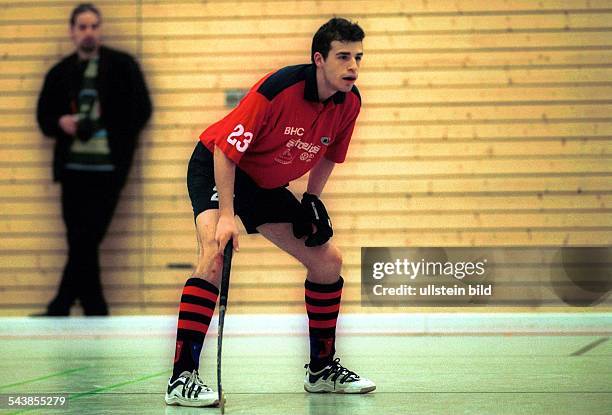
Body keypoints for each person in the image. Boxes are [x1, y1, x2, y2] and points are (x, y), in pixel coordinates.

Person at [165, 17, 375, 407]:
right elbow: (226, 151)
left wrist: (312, 198)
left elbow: (329, 153)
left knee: (328, 262)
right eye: (343, 57)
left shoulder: (350, 103)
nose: (353, 67)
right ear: (319, 59)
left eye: (358, 58)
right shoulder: (277, 89)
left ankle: (321, 370)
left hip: (263, 184)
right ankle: (182, 378)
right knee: (214, 253)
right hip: (219, 165)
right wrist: (227, 216)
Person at [36, 3, 152, 316]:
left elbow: (142, 110)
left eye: (94, 26)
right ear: (72, 31)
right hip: (72, 169)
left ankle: (64, 304)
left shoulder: (122, 66)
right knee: (80, 238)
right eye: (83, 27)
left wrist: (111, 122)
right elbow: (43, 117)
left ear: (100, 29)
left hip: (108, 169)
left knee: (87, 237)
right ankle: (93, 306)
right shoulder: (60, 73)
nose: (89, 32)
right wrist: (62, 123)